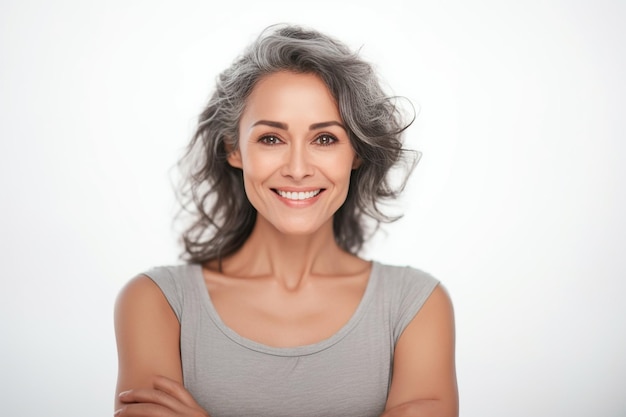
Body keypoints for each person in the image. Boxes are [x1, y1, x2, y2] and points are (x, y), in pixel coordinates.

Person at [114, 24, 458, 417]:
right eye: (271, 139)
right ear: (234, 149)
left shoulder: (416, 307)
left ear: (357, 153)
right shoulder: (157, 303)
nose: (297, 169)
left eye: (325, 139)